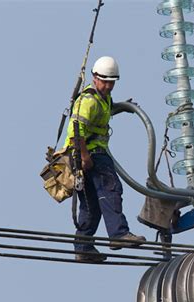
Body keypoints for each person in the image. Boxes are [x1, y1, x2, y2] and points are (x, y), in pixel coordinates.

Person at [64, 56, 146, 263]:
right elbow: (76, 131)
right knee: (110, 191)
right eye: (105, 81)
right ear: (95, 77)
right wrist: (84, 157)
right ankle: (119, 235)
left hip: (85, 157)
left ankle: (83, 248)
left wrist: (122, 107)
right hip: (91, 155)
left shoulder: (103, 99)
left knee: (91, 204)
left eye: (112, 82)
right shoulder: (88, 101)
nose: (109, 86)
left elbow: (106, 110)